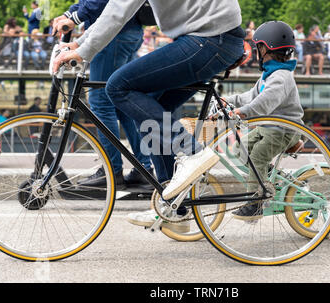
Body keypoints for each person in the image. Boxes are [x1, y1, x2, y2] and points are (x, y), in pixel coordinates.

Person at [53, 0, 245, 228]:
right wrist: (79, 43)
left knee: (118, 87)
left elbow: (118, 10)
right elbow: (117, 8)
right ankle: (171, 205)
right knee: (147, 107)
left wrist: (83, 51)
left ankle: (191, 152)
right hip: (213, 37)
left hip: (210, 39)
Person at [53, 0, 155, 190]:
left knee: (101, 103)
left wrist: (74, 18)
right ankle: (144, 169)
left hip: (112, 35)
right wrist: (70, 14)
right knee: (122, 102)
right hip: (127, 31)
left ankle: (112, 170)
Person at [218, 21, 303, 220]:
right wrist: (226, 102)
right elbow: (251, 97)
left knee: (257, 156)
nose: (257, 52)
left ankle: (255, 203)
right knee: (240, 149)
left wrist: (243, 112)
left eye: (258, 48)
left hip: (283, 131)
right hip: (269, 128)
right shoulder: (269, 75)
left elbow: (264, 103)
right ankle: (268, 179)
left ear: (265, 49)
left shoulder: (281, 77)